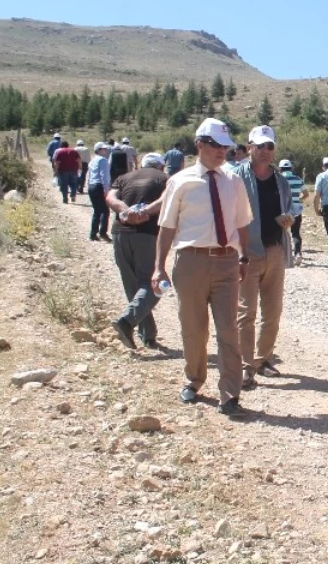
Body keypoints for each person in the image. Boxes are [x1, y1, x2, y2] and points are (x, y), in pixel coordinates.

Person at [152, 117, 253, 418]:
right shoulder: (180, 182)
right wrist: (159, 267)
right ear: (199, 145)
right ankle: (194, 380)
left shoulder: (234, 182)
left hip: (225, 261)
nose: (221, 151)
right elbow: (167, 227)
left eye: (225, 146)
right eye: (214, 145)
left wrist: (244, 257)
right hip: (191, 261)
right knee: (193, 328)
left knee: (228, 330)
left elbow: (242, 223)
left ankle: (230, 394)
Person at [236, 125, 295, 389]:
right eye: (260, 146)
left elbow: (291, 205)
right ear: (249, 147)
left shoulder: (280, 180)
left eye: (269, 146)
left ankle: (262, 360)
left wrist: (288, 217)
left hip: (275, 249)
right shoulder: (235, 177)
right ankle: (245, 367)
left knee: (273, 311)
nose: (265, 151)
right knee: (245, 312)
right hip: (246, 251)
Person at [106, 153, 168, 350]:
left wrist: (125, 211)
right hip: (147, 234)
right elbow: (168, 202)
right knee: (155, 284)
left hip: (119, 233)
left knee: (133, 286)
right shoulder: (165, 179)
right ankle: (126, 321)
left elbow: (110, 197)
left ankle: (147, 335)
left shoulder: (124, 177)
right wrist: (142, 213)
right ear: (161, 166)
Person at [278, 159, 305, 264]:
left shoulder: (278, 179)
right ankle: (297, 253)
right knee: (296, 233)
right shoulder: (298, 179)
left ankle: (282, 255)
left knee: (280, 232)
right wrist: (298, 200)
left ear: (280, 168)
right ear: (291, 168)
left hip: (282, 209)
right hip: (296, 210)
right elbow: (306, 193)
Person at [86, 142, 112, 241]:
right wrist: (107, 189)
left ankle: (93, 234)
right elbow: (104, 175)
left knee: (97, 211)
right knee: (105, 211)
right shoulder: (103, 160)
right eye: (103, 149)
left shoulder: (92, 161)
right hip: (98, 186)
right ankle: (102, 233)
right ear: (98, 150)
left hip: (91, 186)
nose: (105, 150)